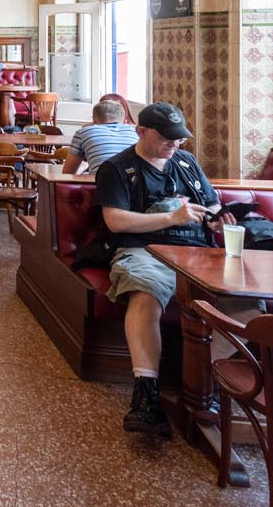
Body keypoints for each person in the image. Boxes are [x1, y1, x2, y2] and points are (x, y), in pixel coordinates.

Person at [95, 102, 244, 436]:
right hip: (144, 248)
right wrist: (170, 218)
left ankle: (203, 380)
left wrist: (219, 218)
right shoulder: (117, 168)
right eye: (166, 138)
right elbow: (114, 221)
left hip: (198, 250)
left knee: (245, 300)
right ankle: (146, 394)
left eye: (179, 138)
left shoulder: (187, 163)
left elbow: (212, 204)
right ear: (141, 132)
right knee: (145, 291)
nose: (174, 145)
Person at [63, 99, 139, 173]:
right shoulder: (136, 132)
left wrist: (83, 166)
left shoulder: (83, 132)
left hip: (101, 183)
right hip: (137, 182)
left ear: (93, 120)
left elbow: (68, 173)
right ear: (125, 121)